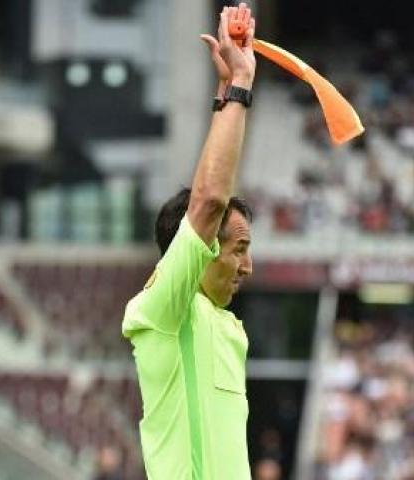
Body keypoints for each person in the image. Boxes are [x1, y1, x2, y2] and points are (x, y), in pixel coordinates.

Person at [121, 4, 256, 479]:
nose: (248, 267)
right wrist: (241, 85)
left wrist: (223, 99)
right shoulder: (164, 310)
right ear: (196, 249)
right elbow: (209, 200)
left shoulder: (227, 328)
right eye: (238, 249)